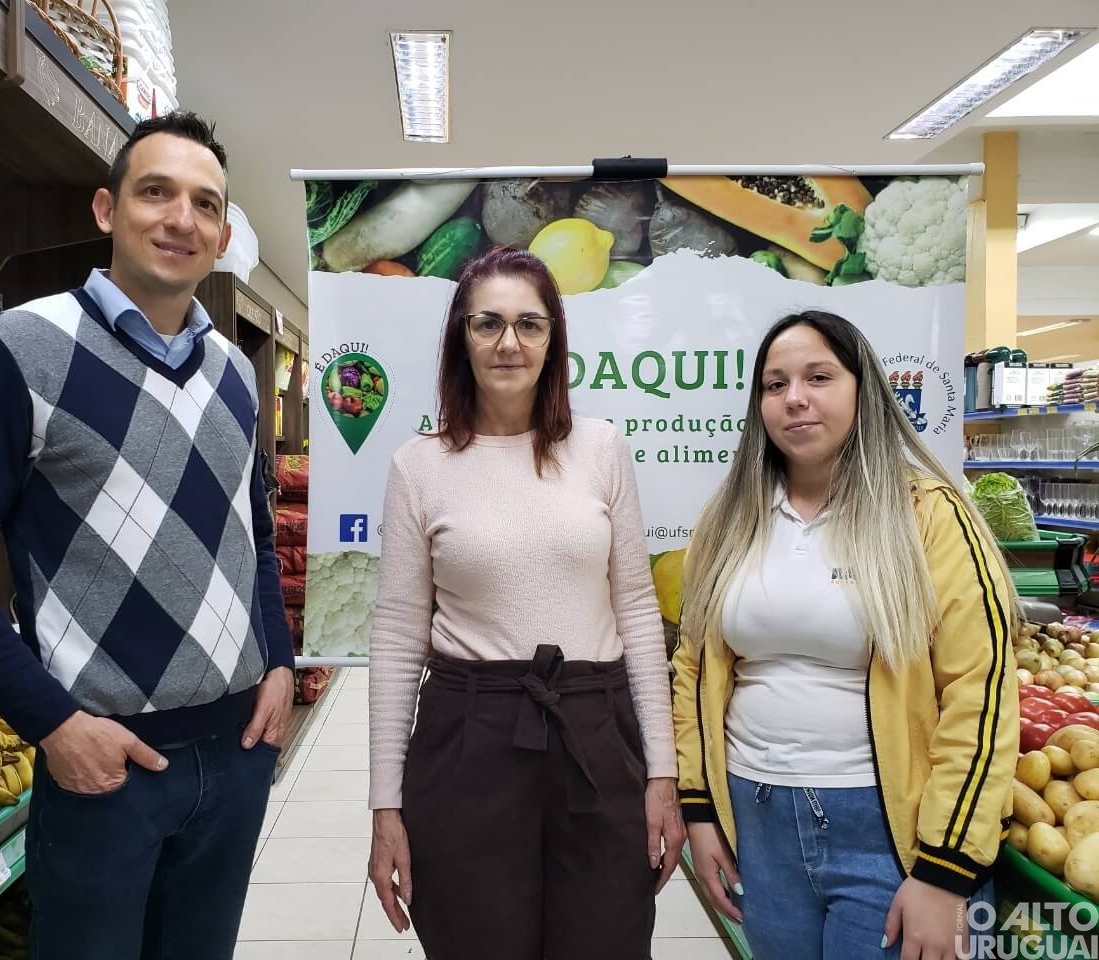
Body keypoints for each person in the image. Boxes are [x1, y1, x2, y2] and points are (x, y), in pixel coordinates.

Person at [0, 112, 294, 959]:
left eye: (205, 204)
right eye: (156, 192)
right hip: (105, 767)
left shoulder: (235, 375)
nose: (181, 218)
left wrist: (280, 659)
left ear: (221, 235)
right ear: (107, 210)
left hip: (237, 756)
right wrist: (54, 724)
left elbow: (251, 532)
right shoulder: (20, 347)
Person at [366, 245, 684, 960]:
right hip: (466, 735)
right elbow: (395, 636)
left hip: (596, 737)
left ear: (554, 339)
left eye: (529, 324)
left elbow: (637, 608)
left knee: (607, 942)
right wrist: (385, 804)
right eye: (488, 324)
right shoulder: (418, 464)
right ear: (461, 337)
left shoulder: (602, 450)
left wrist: (661, 774)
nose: (509, 342)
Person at [673, 310, 1018, 960]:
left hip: (892, 829)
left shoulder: (931, 516)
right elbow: (693, 667)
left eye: (819, 376)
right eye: (774, 385)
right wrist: (700, 809)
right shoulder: (727, 519)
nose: (794, 397)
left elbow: (980, 691)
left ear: (864, 391)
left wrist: (946, 868)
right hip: (756, 818)